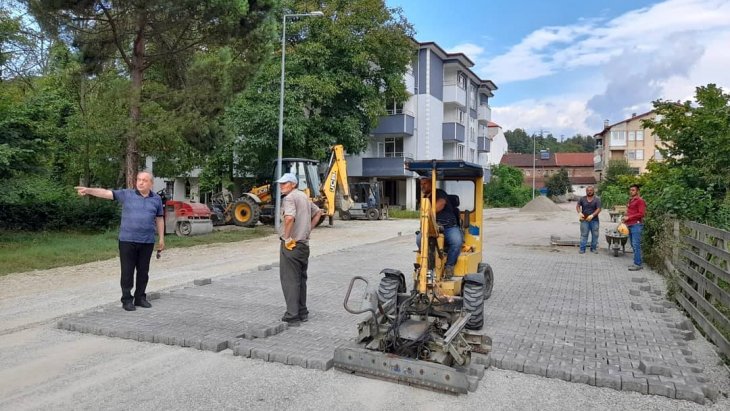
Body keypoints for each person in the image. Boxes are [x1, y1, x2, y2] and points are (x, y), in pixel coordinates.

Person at [75, 171, 165, 311]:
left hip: (147, 241)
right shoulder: (127, 194)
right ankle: (126, 300)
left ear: (151, 184)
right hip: (127, 240)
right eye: (139, 179)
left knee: (143, 271)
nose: (140, 182)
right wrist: (88, 190)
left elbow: (159, 218)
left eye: (144, 180)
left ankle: (140, 298)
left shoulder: (156, 199)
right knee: (127, 271)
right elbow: (106, 193)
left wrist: (161, 238)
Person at [277, 173, 322, 326]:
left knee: (290, 280)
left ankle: (292, 315)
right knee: (301, 280)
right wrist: (308, 229)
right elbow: (319, 212)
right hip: (304, 245)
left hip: (292, 245)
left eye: (285, 183)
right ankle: (303, 312)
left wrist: (287, 238)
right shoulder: (304, 197)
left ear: (293, 184)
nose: (281, 186)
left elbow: (289, 218)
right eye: (281, 183)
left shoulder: (289, 198)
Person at [416, 174, 463, 277]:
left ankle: (449, 266)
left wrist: (427, 211)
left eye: (425, 184)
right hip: (432, 228)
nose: (422, 186)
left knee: (456, 241)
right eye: (421, 184)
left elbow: (439, 205)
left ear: (431, 183)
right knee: (419, 239)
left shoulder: (439, 193)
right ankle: (428, 264)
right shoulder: (423, 198)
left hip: (449, 227)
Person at [623, 184, 646, 271]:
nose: (631, 191)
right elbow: (630, 212)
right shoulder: (631, 200)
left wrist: (629, 217)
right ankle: (638, 261)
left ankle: (637, 264)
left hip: (636, 225)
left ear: (637, 191)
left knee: (636, 245)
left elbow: (641, 214)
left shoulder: (640, 201)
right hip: (630, 224)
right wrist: (625, 218)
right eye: (630, 190)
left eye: (633, 190)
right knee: (633, 244)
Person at [576, 185, 602, 254]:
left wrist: (592, 215)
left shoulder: (597, 199)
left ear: (593, 191)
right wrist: (579, 212)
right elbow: (578, 206)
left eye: (591, 190)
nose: (589, 192)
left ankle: (593, 248)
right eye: (588, 190)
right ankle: (582, 249)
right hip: (584, 220)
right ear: (586, 191)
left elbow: (599, 209)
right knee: (584, 234)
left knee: (595, 234)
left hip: (594, 220)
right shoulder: (582, 199)